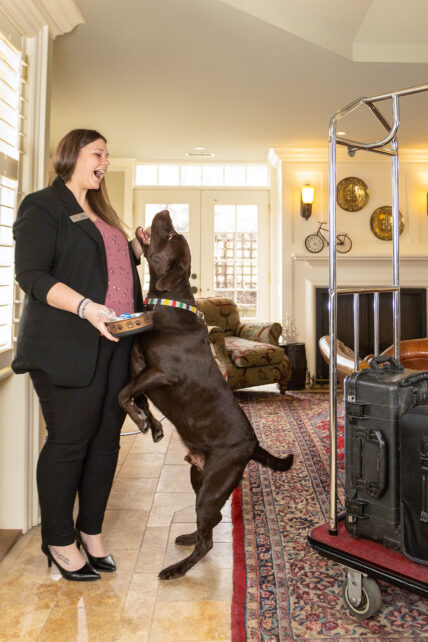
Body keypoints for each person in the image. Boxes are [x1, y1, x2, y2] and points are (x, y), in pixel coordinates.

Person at [13, 129, 144, 581]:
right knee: (70, 441)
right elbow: (31, 274)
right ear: (71, 155)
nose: (105, 161)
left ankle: (91, 532)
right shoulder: (43, 205)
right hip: (65, 344)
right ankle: (58, 539)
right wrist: (87, 308)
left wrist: (137, 249)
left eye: (108, 154)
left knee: (106, 442)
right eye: (98, 153)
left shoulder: (101, 211)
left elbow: (106, 267)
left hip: (117, 340)